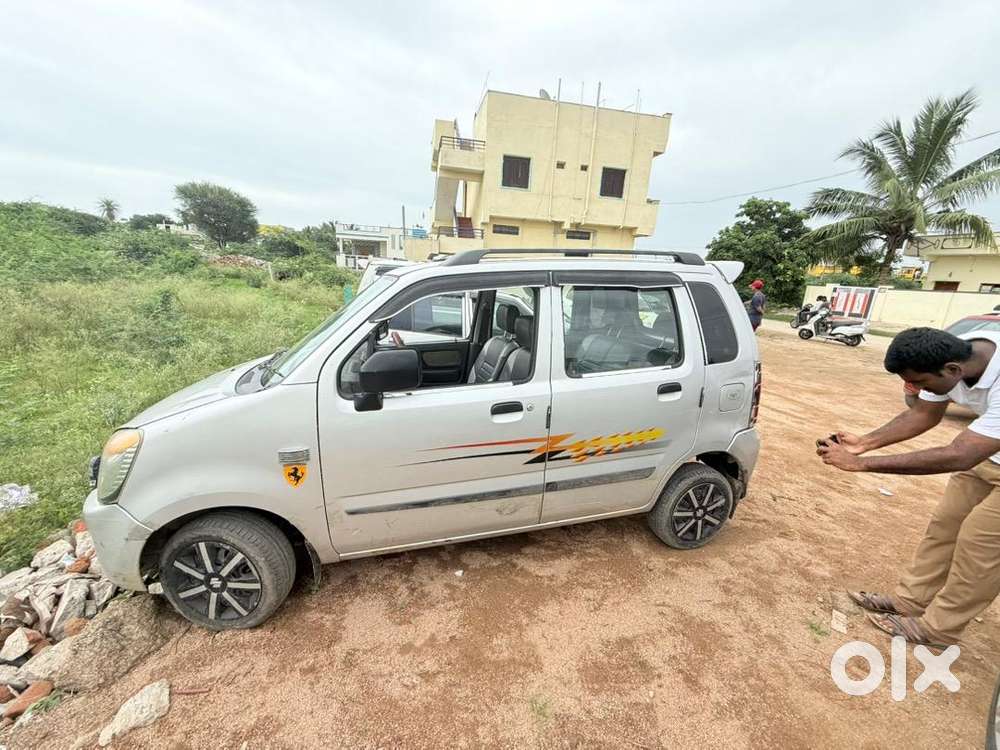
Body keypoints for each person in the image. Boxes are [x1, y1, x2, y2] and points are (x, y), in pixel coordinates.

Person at [817, 327, 1000, 647]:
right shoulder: (955, 354)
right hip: (987, 456)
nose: (913, 389)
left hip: (977, 453)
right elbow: (924, 413)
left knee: (980, 545)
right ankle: (910, 602)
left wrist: (860, 464)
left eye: (920, 382)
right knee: (945, 526)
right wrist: (865, 443)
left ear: (953, 371)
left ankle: (940, 628)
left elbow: (960, 455)